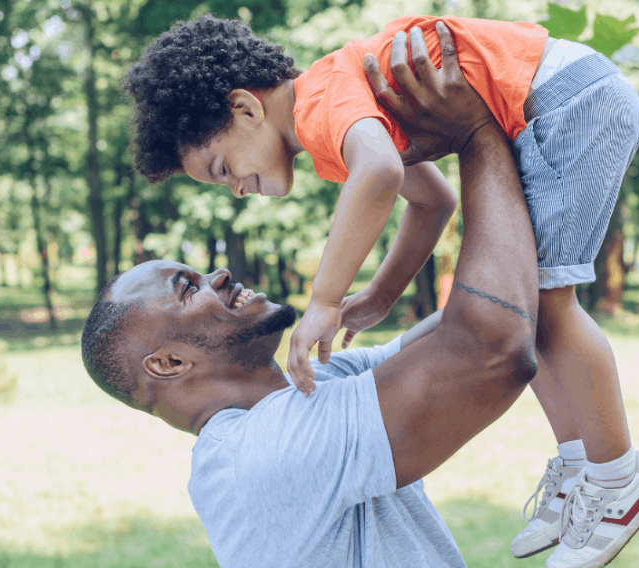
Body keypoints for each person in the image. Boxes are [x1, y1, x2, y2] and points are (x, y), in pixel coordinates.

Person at [121, 17, 639, 568]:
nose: (238, 189)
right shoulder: (335, 125)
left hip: (565, 100)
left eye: (224, 169)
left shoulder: (319, 103)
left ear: (246, 108)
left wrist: (326, 300)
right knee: (537, 306)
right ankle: (580, 465)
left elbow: (381, 173)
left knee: (548, 300)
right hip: (556, 103)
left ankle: (620, 475)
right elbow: (434, 201)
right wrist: (381, 294)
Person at [85, 45, 540, 566]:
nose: (221, 275)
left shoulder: (314, 383)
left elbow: (508, 317)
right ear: (168, 364)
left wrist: (382, 291)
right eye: (190, 289)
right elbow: (494, 347)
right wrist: (477, 132)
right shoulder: (260, 456)